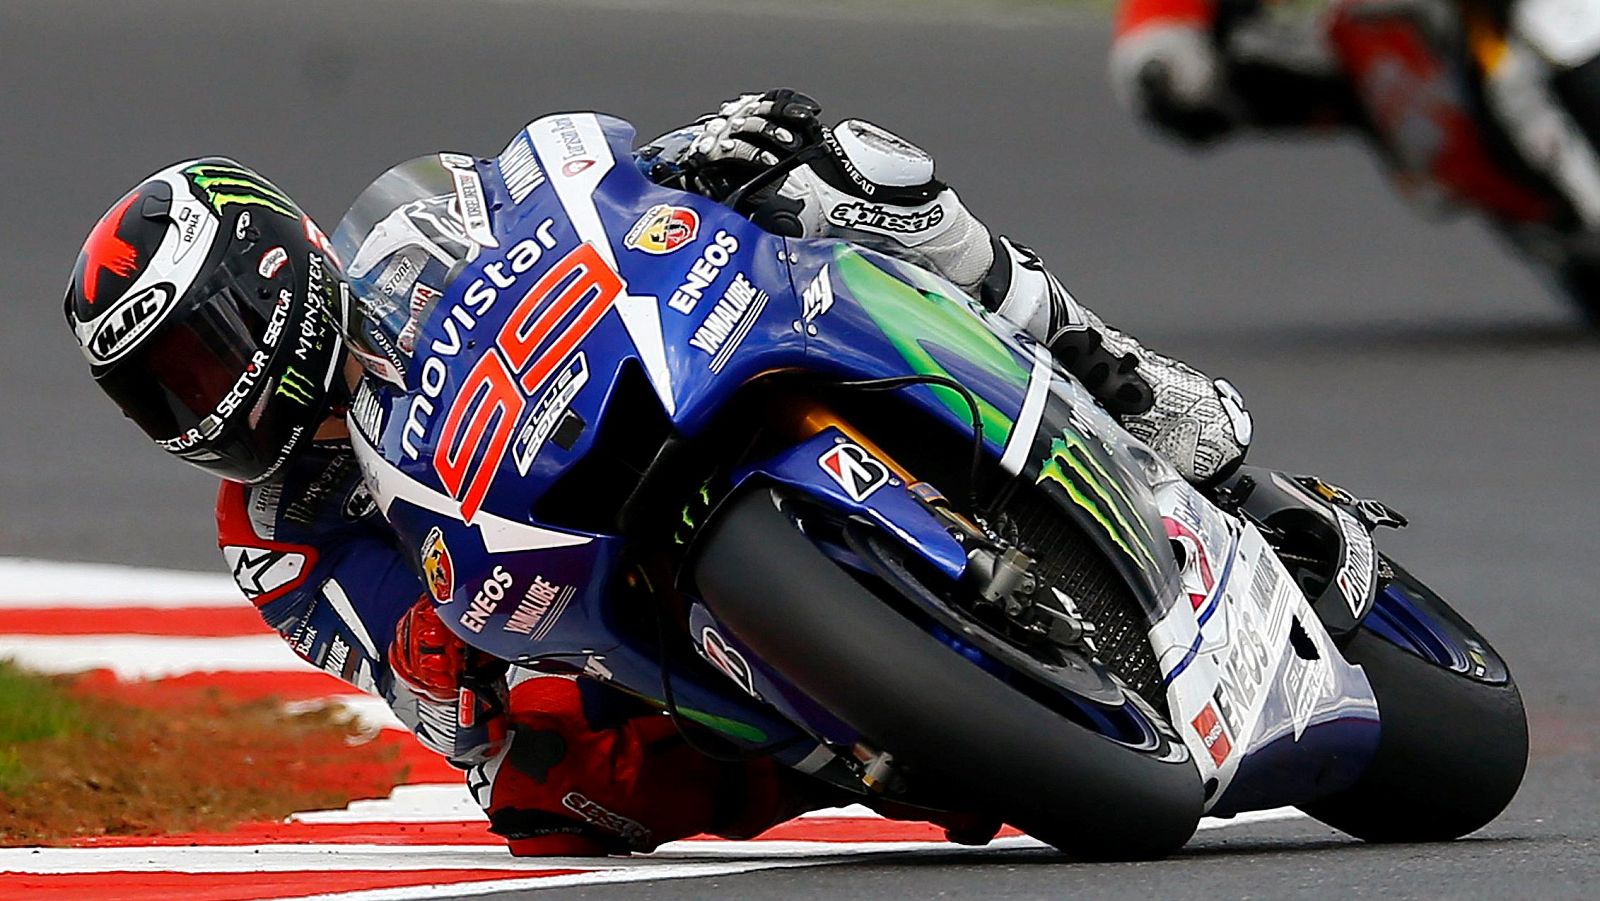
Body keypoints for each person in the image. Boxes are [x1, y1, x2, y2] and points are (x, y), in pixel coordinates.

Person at [62, 91, 1251, 855]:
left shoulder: (408, 243)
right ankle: (859, 727)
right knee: (536, 789)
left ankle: (1111, 365)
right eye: (157, 388)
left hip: (643, 381)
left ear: (278, 274)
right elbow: (429, 706)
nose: (198, 395)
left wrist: (693, 157)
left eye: (198, 349)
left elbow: (568, 202)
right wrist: (437, 672)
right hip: (559, 592)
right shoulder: (275, 528)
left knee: (829, 160)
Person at [1112, 0, 1600, 317]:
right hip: (1375, 30)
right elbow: (1154, 45)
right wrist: (1164, 51)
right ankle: (1513, 197)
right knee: (1176, 85)